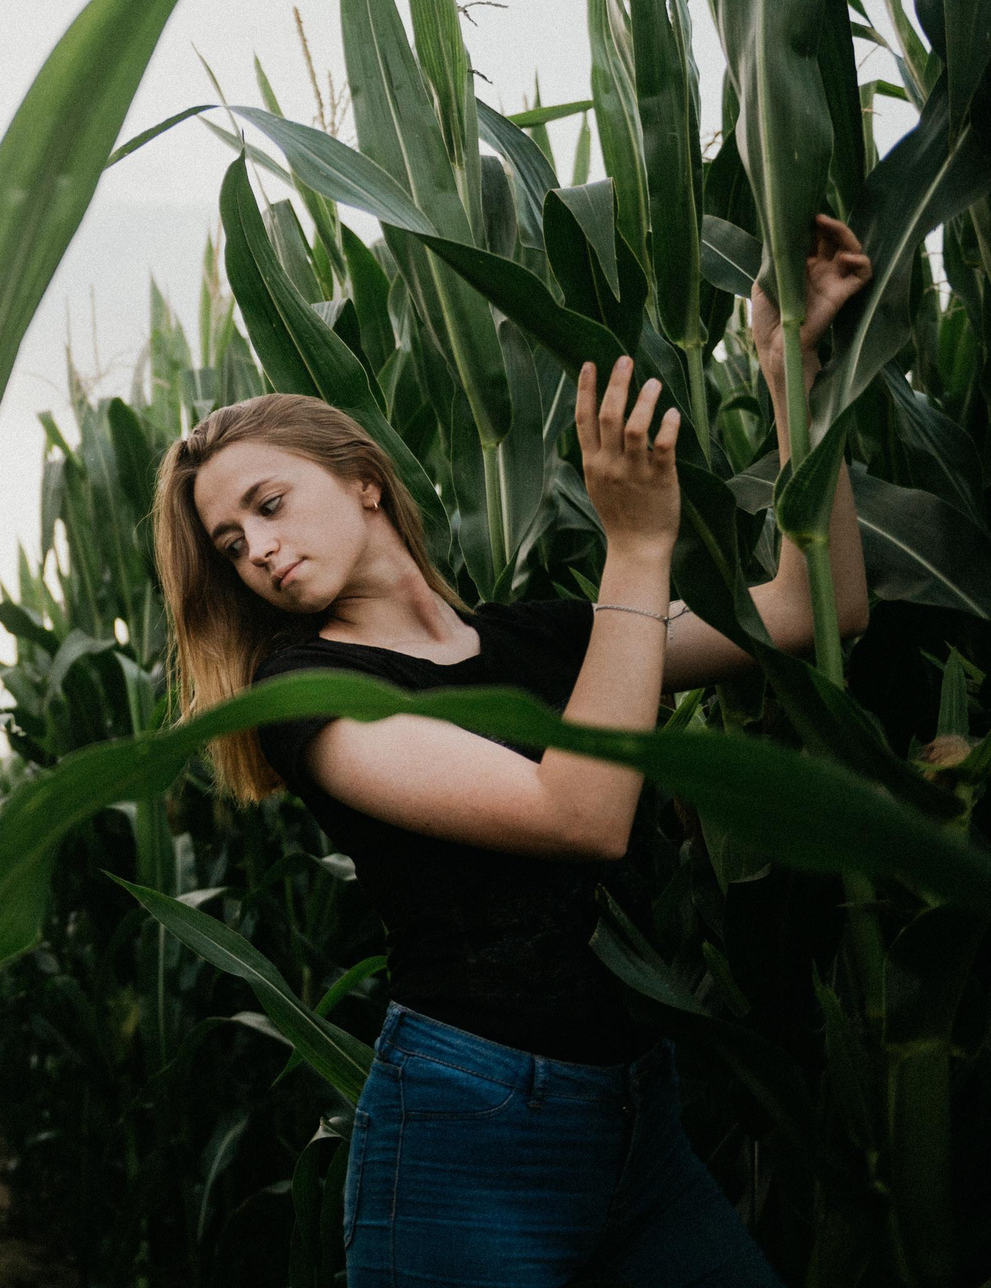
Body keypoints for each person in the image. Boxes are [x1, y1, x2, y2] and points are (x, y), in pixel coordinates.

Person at [151, 216, 873, 1286]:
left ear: (362, 479)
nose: (257, 550)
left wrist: (793, 377)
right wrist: (635, 548)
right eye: (230, 544)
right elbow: (579, 817)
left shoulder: (541, 640)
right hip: (470, 1135)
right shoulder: (306, 693)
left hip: (640, 1121)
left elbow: (824, 606)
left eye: (268, 505)